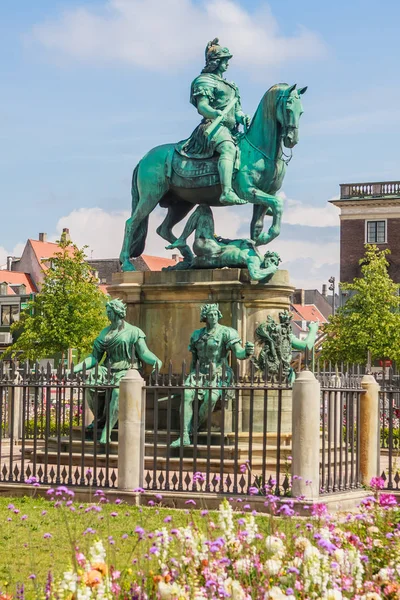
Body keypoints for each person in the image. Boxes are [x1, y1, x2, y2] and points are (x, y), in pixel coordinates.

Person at [73, 299, 162, 443]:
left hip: (126, 370)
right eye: (107, 312)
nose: (107, 315)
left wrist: (156, 361)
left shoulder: (134, 331)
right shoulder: (104, 333)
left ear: (117, 313)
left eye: (110, 312)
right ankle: (100, 419)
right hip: (108, 369)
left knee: (117, 391)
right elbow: (94, 357)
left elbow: (144, 352)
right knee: (90, 383)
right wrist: (75, 369)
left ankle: (106, 432)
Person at [178, 38, 251, 207]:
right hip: (213, 126)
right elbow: (202, 106)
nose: (227, 63)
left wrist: (242, 117)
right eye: (225, 60)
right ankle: (226, 192)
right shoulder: (204, 81)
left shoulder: (231, 86)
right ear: (216, 62)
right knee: (228, 148)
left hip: (231, 129)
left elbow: (237, 110)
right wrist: (216, 113)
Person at [171, 303, 254, 447]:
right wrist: (190, 377)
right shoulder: (197, 335)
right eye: (210, 315)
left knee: (211, 398)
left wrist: (246, 352)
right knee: (187, 395)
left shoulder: (227, 332)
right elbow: (194, 360)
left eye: (216, 314)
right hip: (199, 373)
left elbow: (238, 352)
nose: (214, 317)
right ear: (205, 317)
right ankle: (184, 435)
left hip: (219, 374)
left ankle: (191, 429)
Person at [167, 204, 281, 281]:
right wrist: (222, 239)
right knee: (203, 207)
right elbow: (231, 243)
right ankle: (182, 239)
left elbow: (255, 275)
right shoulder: (250, 245)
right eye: (272, 260)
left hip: (212, 253)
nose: (271, 262)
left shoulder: (254, 259)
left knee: (203, 210)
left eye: (273, 262)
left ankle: (182, 240)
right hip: (215, 245)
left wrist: (272, 269)